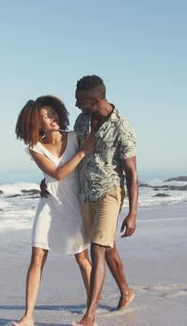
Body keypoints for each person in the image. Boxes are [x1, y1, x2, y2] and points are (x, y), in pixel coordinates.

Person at [13, 95, 96, 326]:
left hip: (74, 204)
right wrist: (81, 154)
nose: (53, 118)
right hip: (49, 204)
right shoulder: (35, 148)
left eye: (54, 113)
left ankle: (91, 312)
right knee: (37, 256)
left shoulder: (75, 137)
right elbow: (57, 174)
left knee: (82, 258)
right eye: (46, 116)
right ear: (36, 124)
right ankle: (28, 316)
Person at [73, 75, 139, 326]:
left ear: (96, 99)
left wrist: (132, 213)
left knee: (97, 249)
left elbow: (132, 174)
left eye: (80, 99)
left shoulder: (122, 127)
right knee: (107, 244)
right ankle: (126, 291)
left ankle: (89, 316)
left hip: (110, 193)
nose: (76, 103)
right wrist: (49, 178)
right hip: (85, 193)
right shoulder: (83, 120)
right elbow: (72, 152)